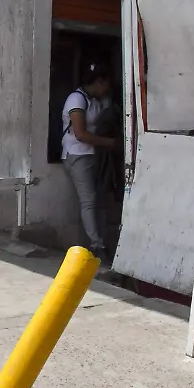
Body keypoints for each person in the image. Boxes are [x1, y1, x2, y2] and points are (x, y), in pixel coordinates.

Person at [61, 63, 117, 261]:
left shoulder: (96, 100)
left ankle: (102, 241)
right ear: (99, 82)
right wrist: (110, 143)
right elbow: (81, 133)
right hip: (78, 155)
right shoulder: (77, 99)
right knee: (89, 200)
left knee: (99, 200)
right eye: (105, 84)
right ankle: (96, 245)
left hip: (94, 155)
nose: (107, 89)